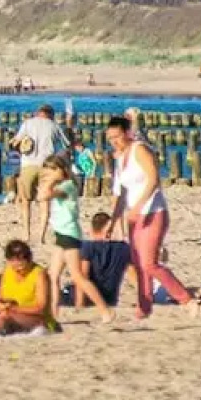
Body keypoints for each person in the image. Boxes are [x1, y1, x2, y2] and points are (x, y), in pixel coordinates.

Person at [106, 116, 192, 317]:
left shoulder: (140, 149)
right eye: (110, 138)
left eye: (117, 136)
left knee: (149, 263)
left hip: (153, 212)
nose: (113, 142)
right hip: (134, 217)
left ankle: (186, 299)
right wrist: (114, 220)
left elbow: (154, 179)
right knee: (138, 264)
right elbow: (121, 193)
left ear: (127, 133)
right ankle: (144, 306)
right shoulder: (120, 158)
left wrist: (139, 205)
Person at [40, 157, 110, 322]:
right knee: (53, 276)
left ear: (61, 170)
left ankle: (104, 310)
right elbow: (42, 196)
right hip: (60, 235)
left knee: (78, 277)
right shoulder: (60, 185)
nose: (48, 174)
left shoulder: (68, 186)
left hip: (70, 237)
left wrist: (50, 181)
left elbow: (45, 195)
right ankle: (53, 314)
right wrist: (48, 180)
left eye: (51, 170)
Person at [10, 105, 67, 245]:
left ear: (38, 113)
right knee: (45, 201)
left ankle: (26, 234)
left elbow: (16, 141)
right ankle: (41, 236)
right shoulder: (54, 126)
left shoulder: (28, 123)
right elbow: (66, 145)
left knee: (25, 201)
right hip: (47, 166)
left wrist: (15, 145)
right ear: (51, 115)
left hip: (28, 164)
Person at [0, 239, 49, 336]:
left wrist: (14, 309)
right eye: (15, 267)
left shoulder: (39, 274)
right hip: (9, 314)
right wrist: (0, 305)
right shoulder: (8, 271)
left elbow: (40, 308)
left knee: (6, 316)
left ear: (29, 261)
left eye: (22, 267)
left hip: (36, 318)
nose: (18, 270)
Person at [78, 212, 130, 310]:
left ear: (91, 230)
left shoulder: (87, 247)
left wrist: (80, 305)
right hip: (110, 299)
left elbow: (83, 277)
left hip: (89, 299)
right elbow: (134, 276)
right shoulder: (123, 248)